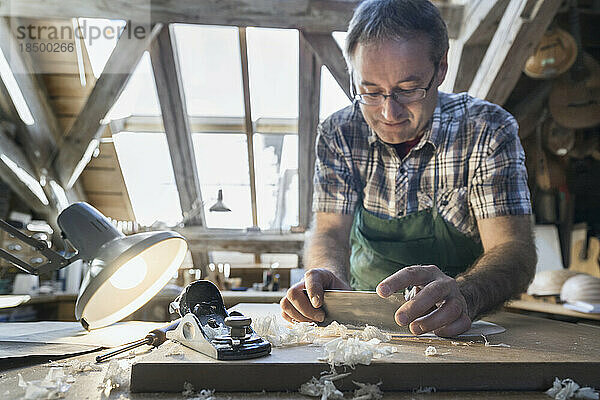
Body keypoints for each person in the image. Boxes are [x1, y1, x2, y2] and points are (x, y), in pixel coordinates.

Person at [281, 0, 537, 337]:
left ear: (441, 67)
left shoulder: (487, 130)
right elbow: (329, 232)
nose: (389, 112)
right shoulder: (339, 133)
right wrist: (327, 277)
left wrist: (467, 295)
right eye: (370, 91)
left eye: (408, 90)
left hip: (465, 332)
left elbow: (514, 250)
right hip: (365, 330)